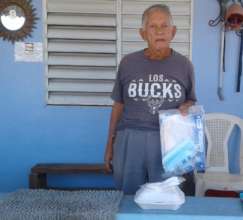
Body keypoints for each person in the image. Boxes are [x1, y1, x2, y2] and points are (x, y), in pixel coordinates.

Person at [104, 4, 197, 195]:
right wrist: (109, 145)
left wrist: (186, 106)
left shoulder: (184, 65)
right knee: (128, 197)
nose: (159, 31)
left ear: (173, 32)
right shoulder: (128, 63)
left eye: (164, 26)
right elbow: (118, 105)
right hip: (130, 138)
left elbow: (191, 100)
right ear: (143, 33)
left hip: (168, 142)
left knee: (168, 197)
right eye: (153, 27)